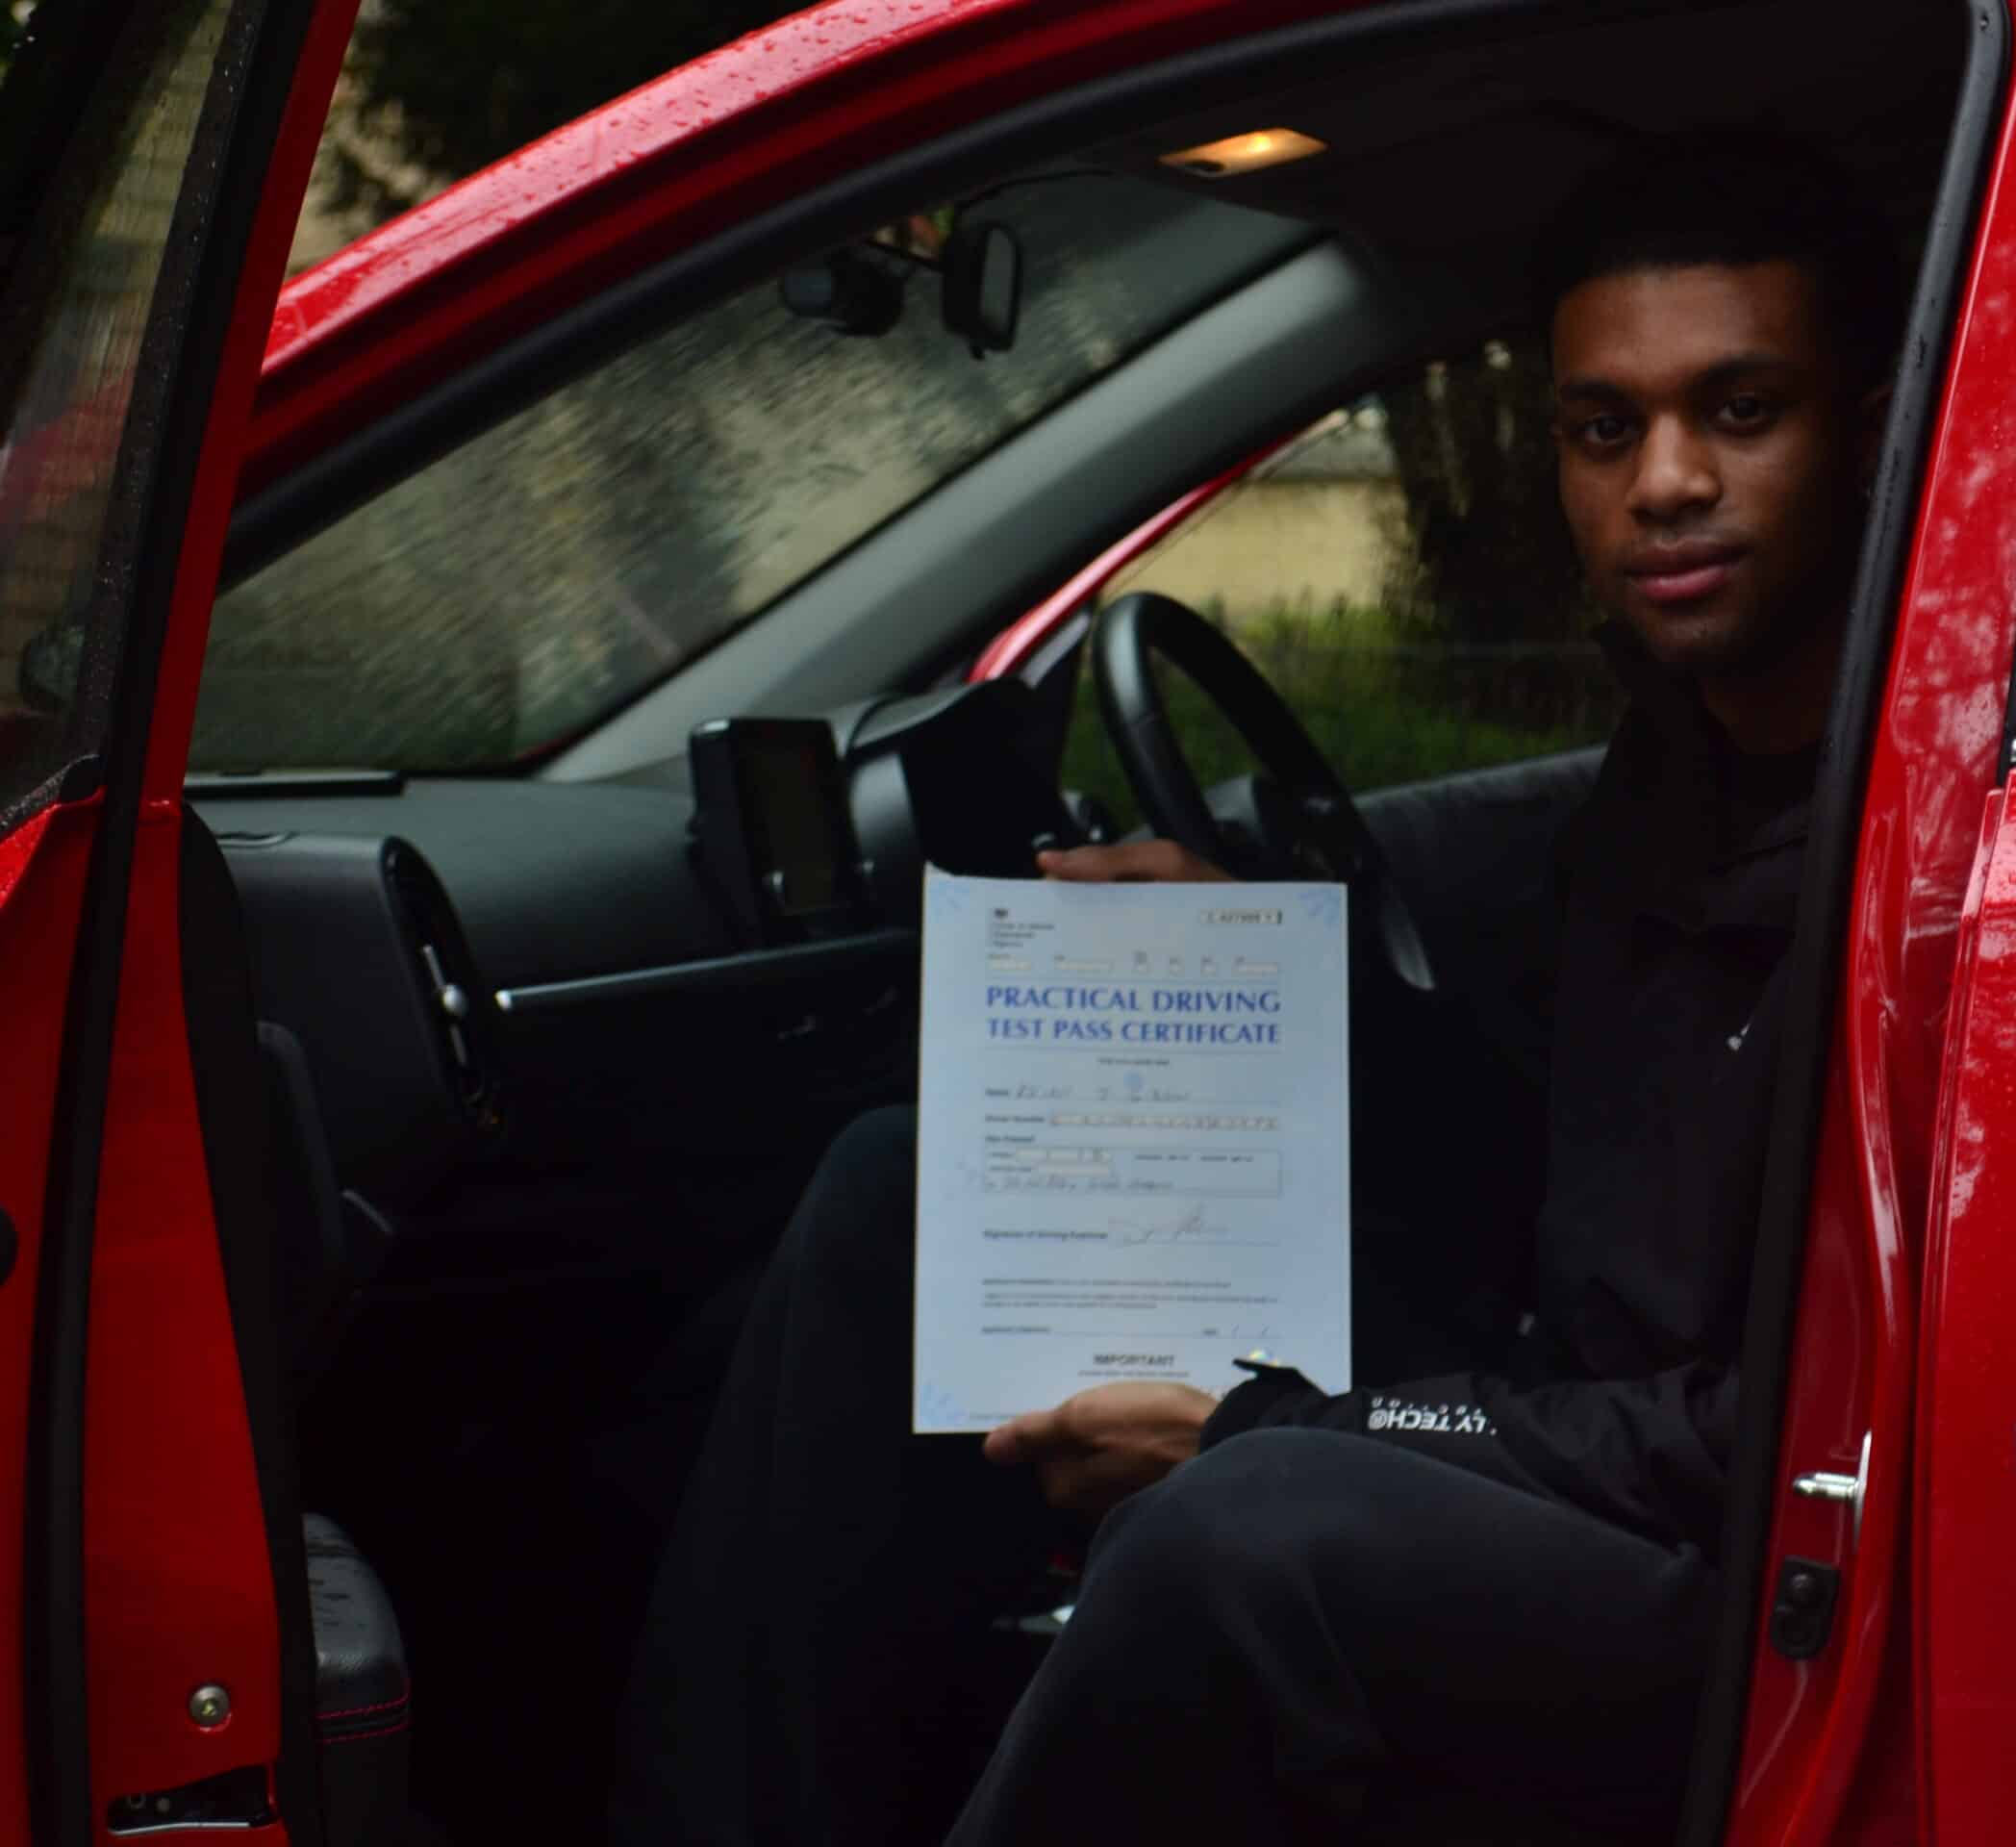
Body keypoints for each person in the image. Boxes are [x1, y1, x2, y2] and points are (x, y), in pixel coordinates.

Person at [610, 133, 1896, 1845]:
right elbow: (1560, 1132)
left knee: (1240, 1533)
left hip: (1740, 1549)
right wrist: (1249, 968)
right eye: (1605, 427)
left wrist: (1304, 1423)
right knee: (910, 1197)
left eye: (1741, 411)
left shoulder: (1924, 816)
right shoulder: (1675, 772)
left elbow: (1775, 1424)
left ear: (1872, 427)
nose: (1663, 481)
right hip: (1569, 1397)